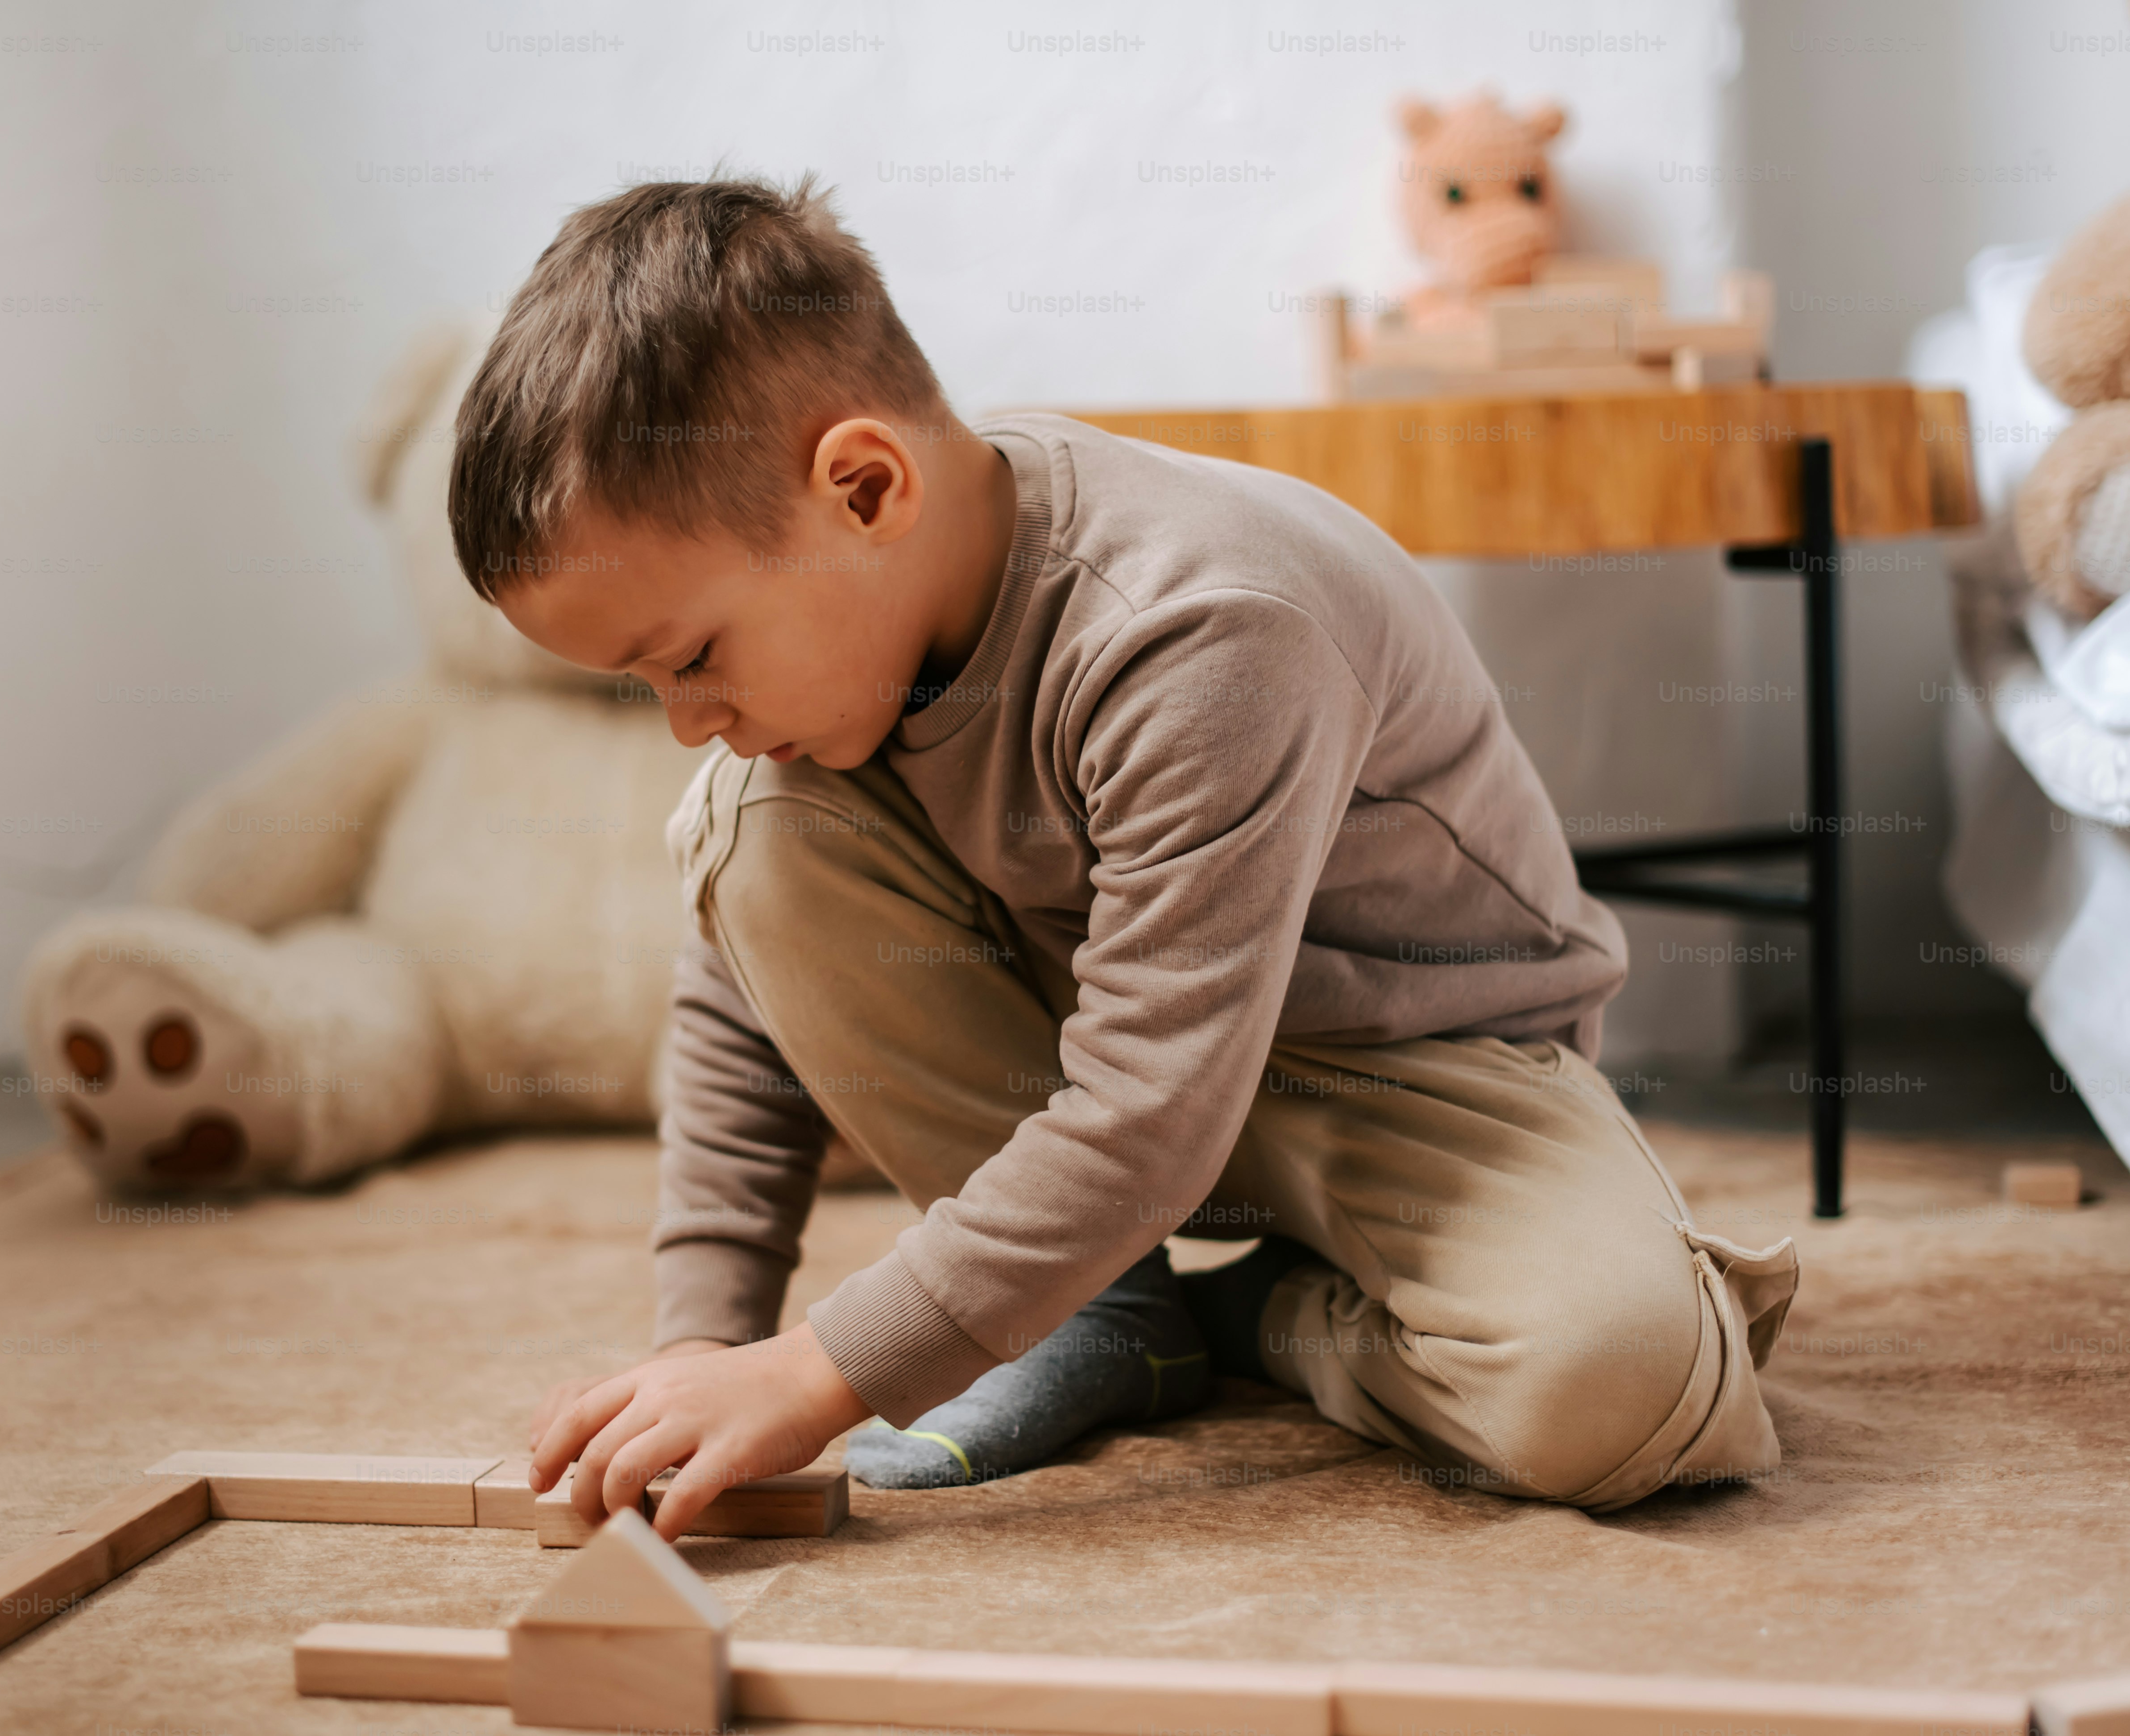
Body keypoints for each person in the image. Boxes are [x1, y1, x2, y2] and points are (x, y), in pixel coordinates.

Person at [449, 174, 1798, 1540]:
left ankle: (1251, 1313)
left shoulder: (1202, 627)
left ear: (865, 489)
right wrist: (702, 1339)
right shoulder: (859, 630)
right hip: (1124, 1055)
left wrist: (815, 1373)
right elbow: (742, 987)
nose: (689, 720)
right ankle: (1103, 1308)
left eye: (690, 658)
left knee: (1619, 1391)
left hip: (1420, 1064)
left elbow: (1150, 1111)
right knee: (748, 833)